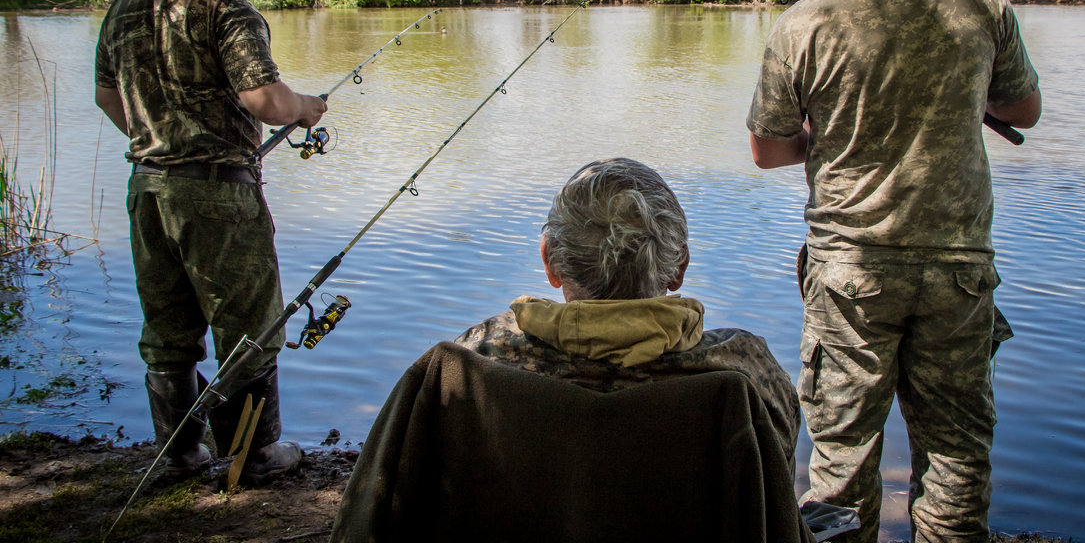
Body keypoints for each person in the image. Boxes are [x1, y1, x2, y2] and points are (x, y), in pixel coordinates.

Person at [746, 0, 1041, 543]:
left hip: (851, 274)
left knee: (843, 459)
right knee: (957, 453)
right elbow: (1023, 111)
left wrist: (825, 132)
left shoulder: (804, 25)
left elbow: (768, 150)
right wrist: (960, 98)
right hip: (958, 268)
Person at [332, 157, 816, 542]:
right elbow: (770, 507)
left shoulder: (470, 362)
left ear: (550, 263)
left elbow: (376, 513)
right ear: (679, 266)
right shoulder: (747, 372)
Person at [94, 0, 327, 481]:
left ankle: (178, 453)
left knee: (169, 327)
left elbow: (105, 96)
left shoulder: (123, 8)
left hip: (148, 189)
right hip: (219, 195)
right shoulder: (228, 8)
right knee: (250, 324)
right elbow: (264, 101)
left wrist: (158, 138)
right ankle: (251, 456)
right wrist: (307, 106)